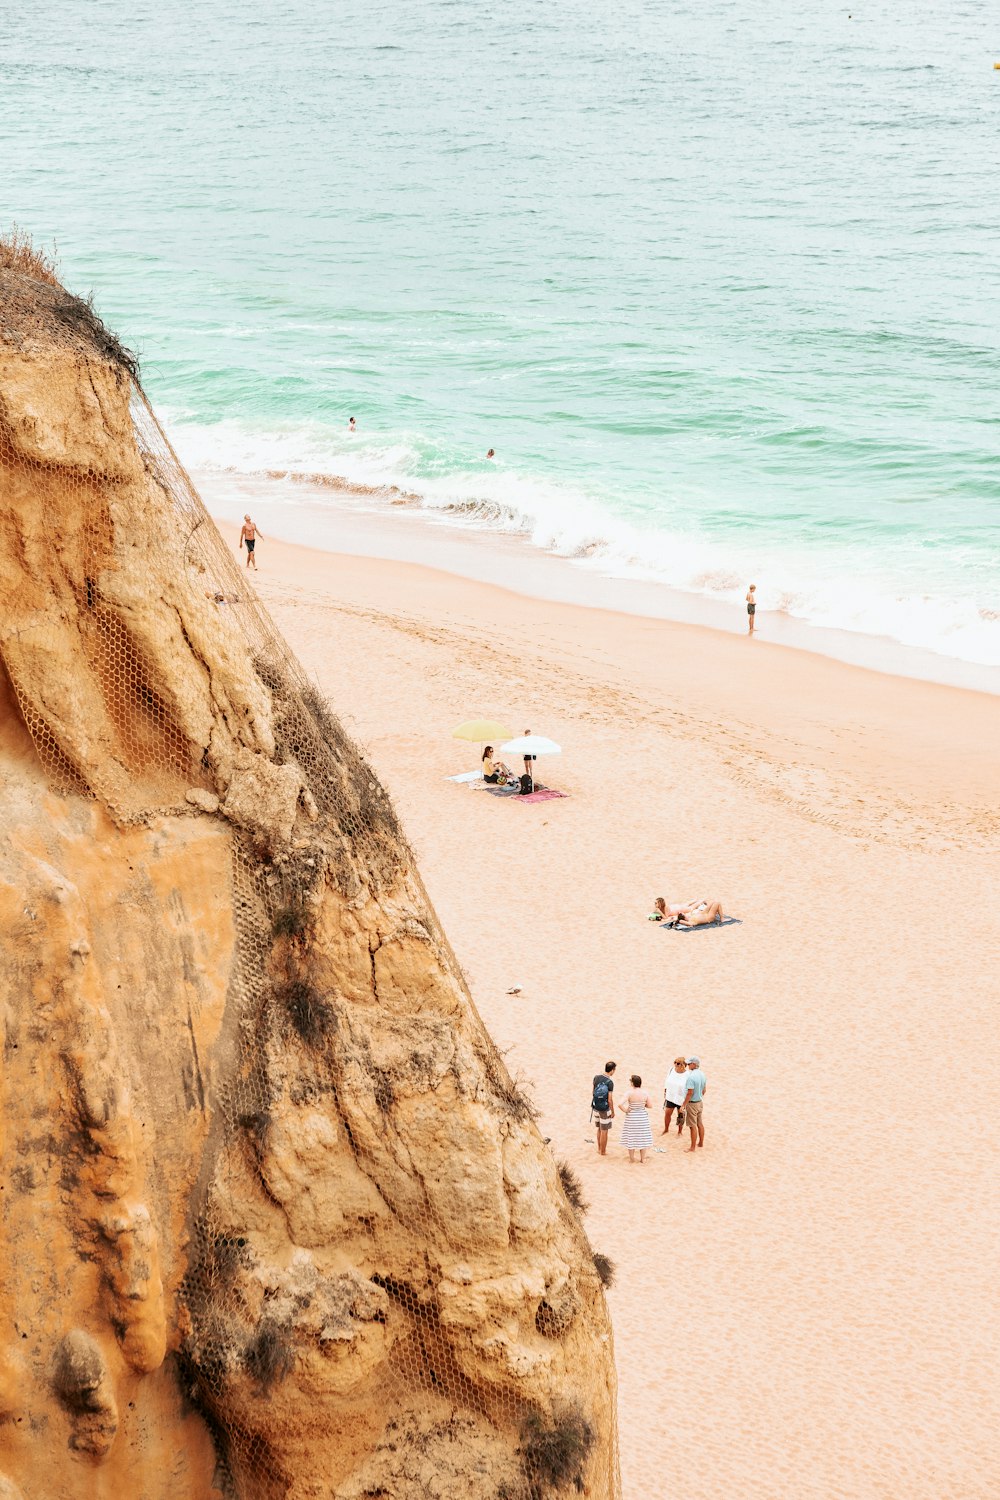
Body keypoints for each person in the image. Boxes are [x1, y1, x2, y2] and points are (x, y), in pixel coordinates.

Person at [620, 1074, 653, 1164]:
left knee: (631, 1137)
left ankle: (632, 1159)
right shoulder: (645, 1093)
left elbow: (620, 1104)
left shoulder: (629, 1093)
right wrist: (642, 1105)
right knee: (643, 1138)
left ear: (632, 1083)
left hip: (631, 1118)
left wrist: (626, 1110)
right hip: (642, 1118)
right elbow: (650, 1105)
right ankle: (642, 1159)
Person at [682, 1057, 707, 1153]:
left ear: (694, 1064)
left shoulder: (691, 1077)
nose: (688, 1066)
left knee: (692, 1126)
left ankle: (692, 1147)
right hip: (700, 1102)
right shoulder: (702, 1074)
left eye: (689, 1064)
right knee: (700, 1123)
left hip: (692, 1104)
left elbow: (690, 1093)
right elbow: (704, 1090)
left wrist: (684, 1105)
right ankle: (700, 1143)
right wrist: (699, 1096)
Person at [651, 896, 725, 928]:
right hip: (707, 916)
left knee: (713, 902)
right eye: (682, 914)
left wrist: (678, 920)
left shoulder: (689, 916)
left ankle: (699, 900)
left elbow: (670, 918)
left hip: (703, 913)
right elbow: (684, 922)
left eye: (656, 903)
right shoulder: (691, 921)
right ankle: (722, 919)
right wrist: (680, 921)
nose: (655, 904)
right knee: (717, 903)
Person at [592, 1062, 616, 1155]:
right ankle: (603, 1151)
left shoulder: (596, 1077)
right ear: (612, 1070)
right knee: (604, 1131)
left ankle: (599, 1149)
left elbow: (593, 1092)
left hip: (595, 1107)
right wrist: (612, 1111)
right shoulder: (610, 1082)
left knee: (599, 1128)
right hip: (604, 1109)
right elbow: (610, 1100)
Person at [663, 1056, 688, 1135]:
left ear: (683, 1065)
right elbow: (667, 1081)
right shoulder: (671, 1070)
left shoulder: (687, 1075)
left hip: (681, 1099)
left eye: (678, 1063)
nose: (676, 1065)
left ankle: (680, 1132)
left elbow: (689, 1088)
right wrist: (665, 1091)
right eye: (675, 1063)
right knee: (667, 1113)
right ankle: (666, 1129)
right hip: (670, 1097)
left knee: (680, 1116)